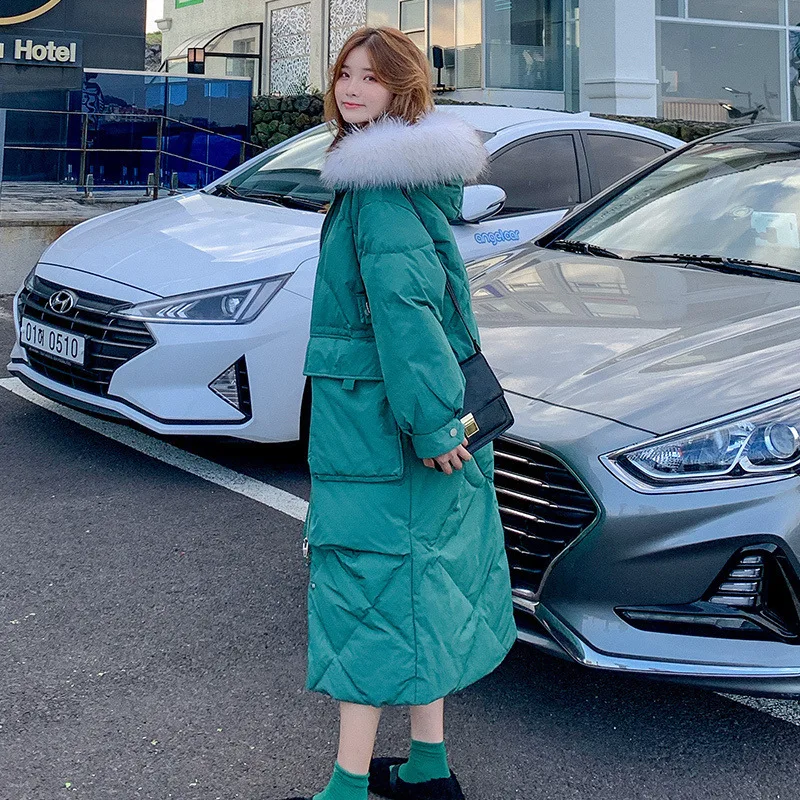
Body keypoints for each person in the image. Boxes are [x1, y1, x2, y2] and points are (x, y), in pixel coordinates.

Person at [282, 26, 516, 800]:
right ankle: (427, 767)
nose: (351, 88)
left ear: (403, 91)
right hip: (398, 424)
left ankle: (347, 787)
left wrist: (435, 422)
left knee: (367, 595)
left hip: (379, 431)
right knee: (421, 588)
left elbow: (408, 314)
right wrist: (439, 420)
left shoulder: (377, 193)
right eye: (345, 74)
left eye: (371, 78)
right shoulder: (393, 180)